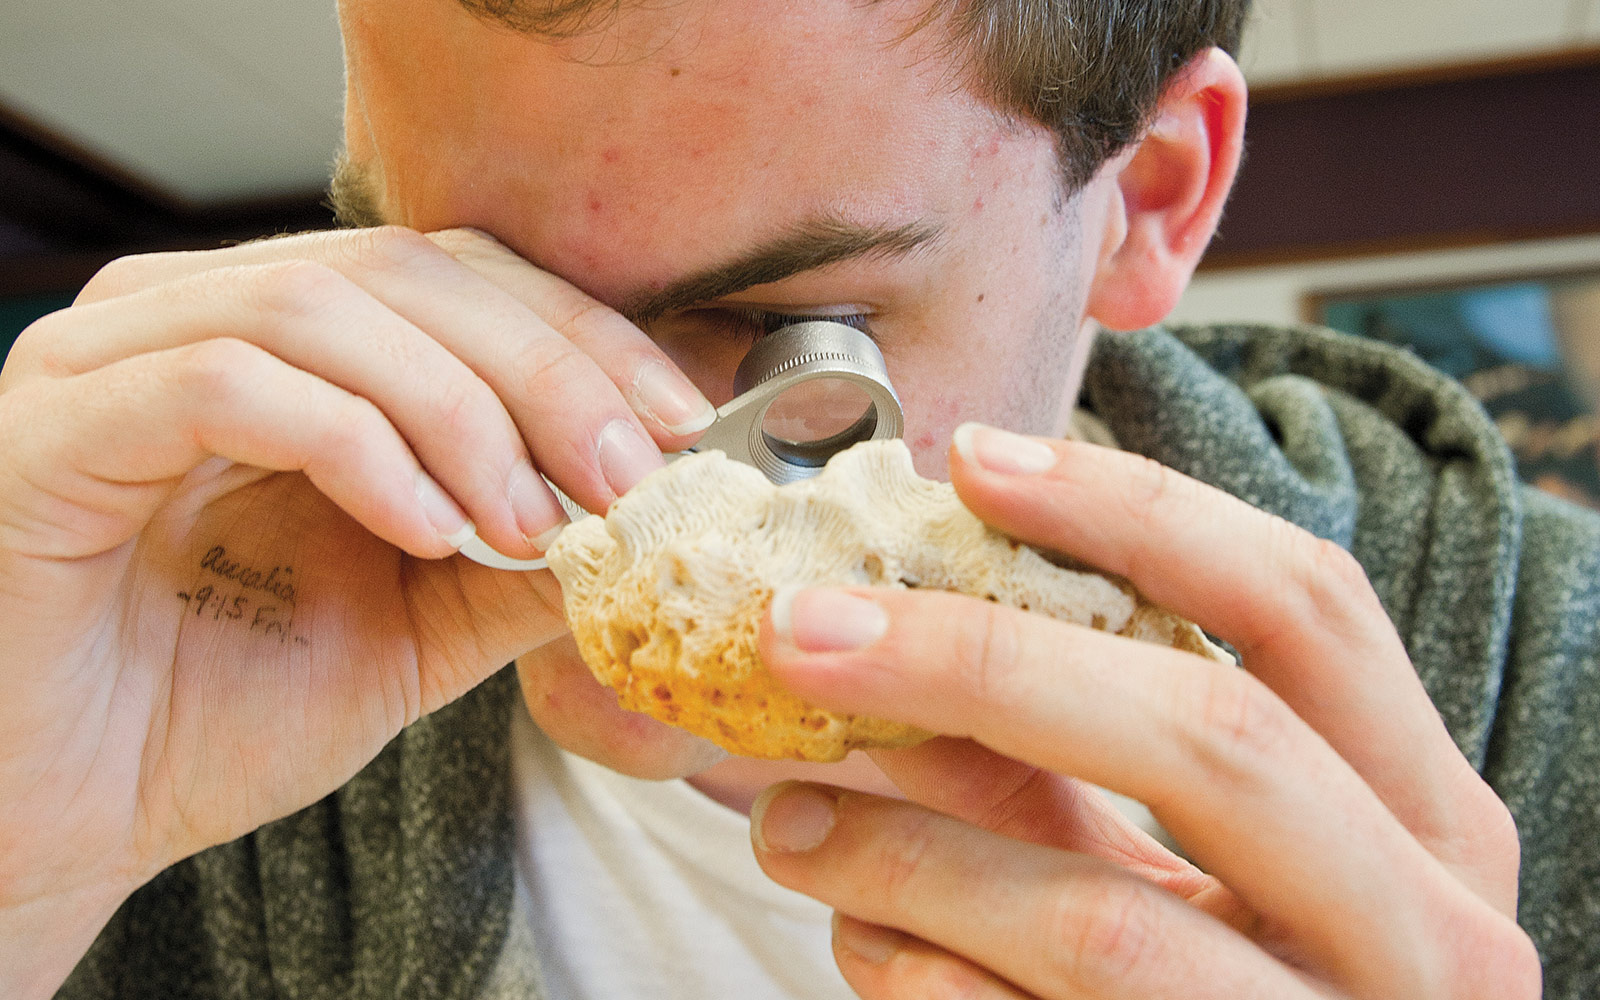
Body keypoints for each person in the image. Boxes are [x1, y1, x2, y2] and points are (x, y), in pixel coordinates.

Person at [0, 0, 1587, 996]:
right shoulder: (182, 633)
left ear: (1150, 202)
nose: (581, 475)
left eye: (786, 333)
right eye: (454, 287)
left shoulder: (1563, 708)